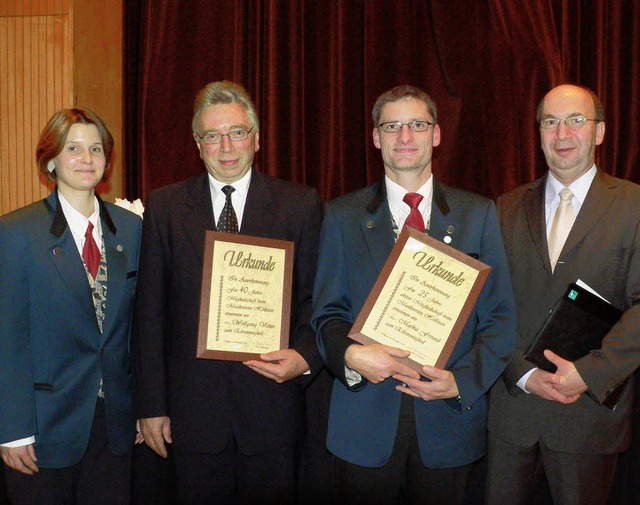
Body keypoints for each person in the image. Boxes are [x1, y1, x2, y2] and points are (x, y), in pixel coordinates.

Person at [311, 84, 516, 504]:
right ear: (375, 138)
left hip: (448, 426)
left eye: (417, 125)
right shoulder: (341, 216)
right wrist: (351, 356)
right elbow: (326, 315)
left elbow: (501, 319)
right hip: (363, 425)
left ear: (436, 134)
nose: (405, 137)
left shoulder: (478, 214)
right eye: (392, 126)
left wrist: (461, 382)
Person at [132, 80, 323, 504]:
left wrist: (304, 356)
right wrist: (151, 405)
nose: (226, 146)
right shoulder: (165, 207)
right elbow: (150, 314)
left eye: (237, 132)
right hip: (193, 414)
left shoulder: (300, 205)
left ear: (256, 138)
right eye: (212, 135)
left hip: (272, 408)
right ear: (197, 144)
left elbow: (316, 300)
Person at [486, 84, 640, 505]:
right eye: (550, 122)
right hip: (512, 413)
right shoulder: (505, 207)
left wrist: (589, 373)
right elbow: (488, 304)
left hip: (586, 418)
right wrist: (522, 373)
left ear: (601, 131)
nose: (562, 133)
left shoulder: (634, 205)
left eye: (576, 120)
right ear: (538, 133)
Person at [0, 108, 142, 505]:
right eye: (73, 148)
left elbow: (137, 330)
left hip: (114, 426)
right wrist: (12, 430)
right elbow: (7, 340)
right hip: (43, 427)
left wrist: (141, 409)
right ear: (51, 160)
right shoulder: (16, 232)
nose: (87, 158)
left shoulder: (131, 230)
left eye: (95, 148)